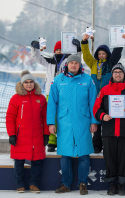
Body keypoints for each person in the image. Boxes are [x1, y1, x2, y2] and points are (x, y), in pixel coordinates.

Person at [47, 54, 99, 195]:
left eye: (76, 63)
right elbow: (52, 103)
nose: (74, 65)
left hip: (83, 121)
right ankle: (66, 184)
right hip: (65, 122)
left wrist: (94, 121)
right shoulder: (58, 80)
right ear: (67, 65)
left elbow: (93, 102)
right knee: (65, 154)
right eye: (71, 63)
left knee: (83, 154)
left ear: (80, 65)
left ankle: (83, 183)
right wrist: (51, 123)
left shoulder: (88, 80)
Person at [93, 63, 125, 196]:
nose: (117, 74)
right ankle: (111, 185)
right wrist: (102, 115)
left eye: (120, 72)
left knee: (124, 159)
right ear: (112, 74)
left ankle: (121, 185)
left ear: (124, 74)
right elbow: (96, 109)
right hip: (109, 132)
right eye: (115, 72)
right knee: (109, 159)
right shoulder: (104, 90)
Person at [31, 39, 81, 152]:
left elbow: (77, 60)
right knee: (51, 116)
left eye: (60, 50)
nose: (58, 52)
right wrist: (34, 48)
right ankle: (52, 141)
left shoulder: (68, 60)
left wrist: (78, 49)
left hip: (65, 92)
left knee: (64, 116)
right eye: (57, 50)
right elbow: (37, 57)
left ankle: (64, 139)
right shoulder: (49, 61)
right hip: (50, 93)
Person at [81, 33, 125, 153]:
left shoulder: (110, 63)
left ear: (107, 54)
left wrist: (121, 41)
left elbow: (116, 53)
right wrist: (84, 42)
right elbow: (86, 55)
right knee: (96, 119)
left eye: (103, 53)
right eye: (99, 53)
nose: (101, 55)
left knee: (107, 120)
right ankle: (96, 144)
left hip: (108, 96)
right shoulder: (93, 63)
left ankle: (107, 143)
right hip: (95, 96)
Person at [6, 70, 50, 193]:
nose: (29, 84)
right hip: (20, 136)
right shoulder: (16, 98)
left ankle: (33, 184)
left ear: (34, 84)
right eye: (26, 82)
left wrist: (46, 133)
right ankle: (19, 184)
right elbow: (10, 117)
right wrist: (12, 134)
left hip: (37, 136)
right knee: (19, 161)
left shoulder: (41, 98)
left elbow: (45, 117)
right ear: (22, 84)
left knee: (37, 161)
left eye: (31, 82)